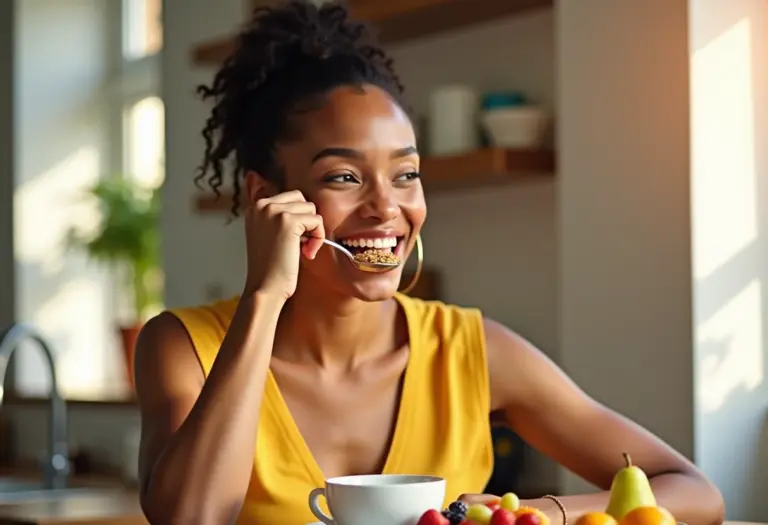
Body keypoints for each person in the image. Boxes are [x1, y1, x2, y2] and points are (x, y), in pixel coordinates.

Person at [134, 2, 725, 524]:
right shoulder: (184, 349)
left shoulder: (474, 351)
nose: (386, 208)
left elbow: (693, 493)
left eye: (406, 175)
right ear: (265, 197)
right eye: (343, 177)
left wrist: (527, 515)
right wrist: (263, 299)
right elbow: (191, 518)